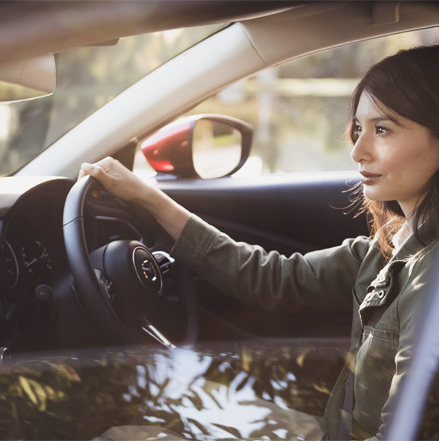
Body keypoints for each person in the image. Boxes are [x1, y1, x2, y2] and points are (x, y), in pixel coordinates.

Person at [79, 45, 439, 440]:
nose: (357, 151)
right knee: (160, 392)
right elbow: (273, 279)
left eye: (382, 129)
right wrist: (147, 197)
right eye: (358, 128)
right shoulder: (388, 248)